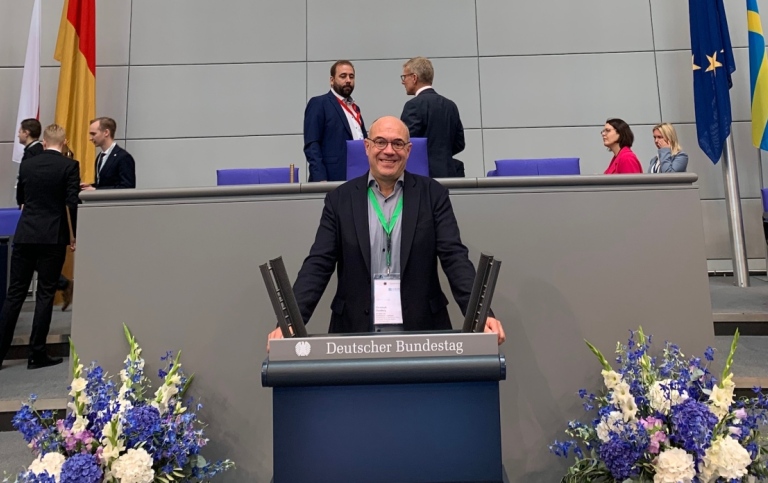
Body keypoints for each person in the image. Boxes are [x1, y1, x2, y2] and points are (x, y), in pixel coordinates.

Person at [267, 116, 505, 347]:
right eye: (380, 142)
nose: (389, 151)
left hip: (423, 333)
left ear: (409, 150)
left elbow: (455, 259)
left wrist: (480, 318)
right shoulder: (340, 199)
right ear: (367, 147)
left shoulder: (433, 195)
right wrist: (290, 323)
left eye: (398, 143)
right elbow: (318, 265)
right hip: (354, 334)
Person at [0, 124, 80, 370]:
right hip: (53, 236)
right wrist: (73, 235)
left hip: (25, 234)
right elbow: (72, 203)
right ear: (64, 142)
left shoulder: (27, 164)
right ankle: (37, 354)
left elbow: (20, 199)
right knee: (45, 295)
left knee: (14, 295)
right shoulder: (69, 166)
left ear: (44, 142)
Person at [400, 57, 465, 178]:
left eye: (404, 77)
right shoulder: (450, 106)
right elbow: (459, 144)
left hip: (422, 177)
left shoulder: (413, 105)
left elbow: (405, 143)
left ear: (414, 78)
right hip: (451, 174)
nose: (403, 82)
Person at [304, 60, 367, 182]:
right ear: (332, 80)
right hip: (331, 178)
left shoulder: (355, 108)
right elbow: (312, 145)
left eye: (351, 76)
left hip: (358, 176)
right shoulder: (319, 103)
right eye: (343, 76)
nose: (348, 80)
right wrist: (320, 179)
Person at [81, 117, 136, 190]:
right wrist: (91, 186)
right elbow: (103, 184)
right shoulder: (100, 157)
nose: (90, 138)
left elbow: (127, 187)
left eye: (93, 134)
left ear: (106, 133)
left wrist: (96, 190)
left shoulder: (123, 157)